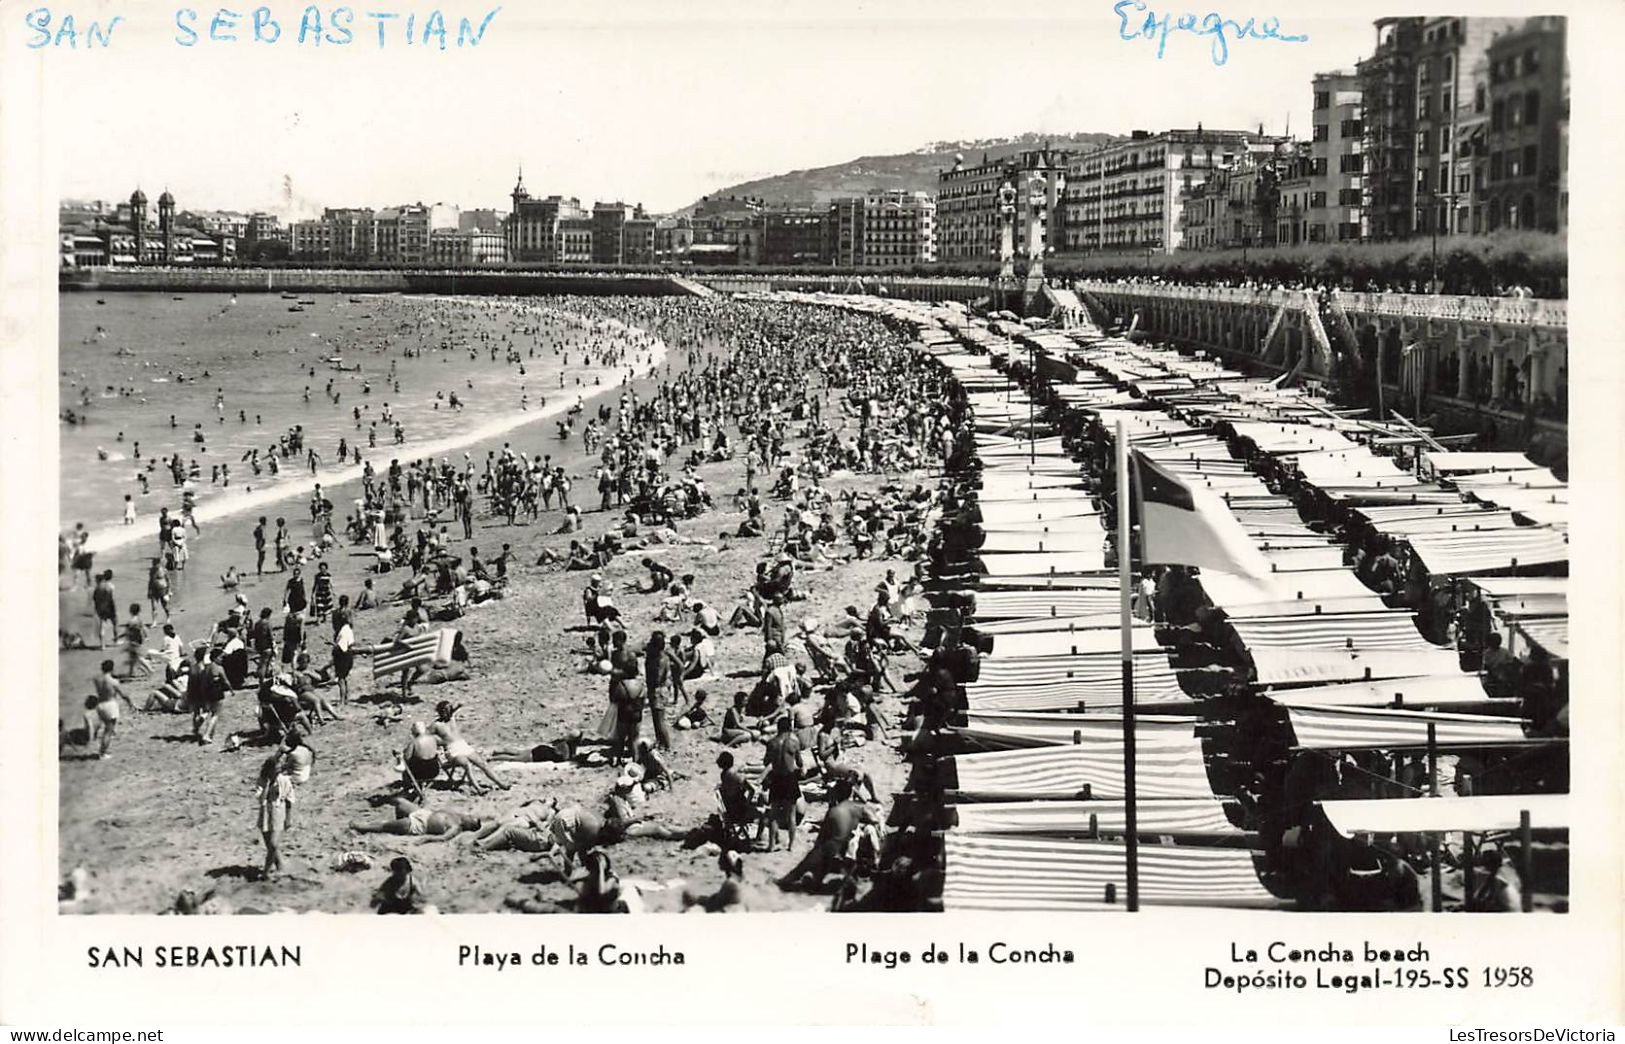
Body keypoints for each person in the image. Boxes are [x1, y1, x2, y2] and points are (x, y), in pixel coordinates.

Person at [257, 729, 314, 880]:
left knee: (274, 844)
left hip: (279, 810)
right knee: (270, 844)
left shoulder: (284, 780)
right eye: (277, 768)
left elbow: (289, 800)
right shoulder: (264, 781)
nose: (280, 768)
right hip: (265, 811)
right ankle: (279, 865)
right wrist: (268, 785)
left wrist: (288, 818)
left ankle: (265, 872)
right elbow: (259, 796)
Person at [761, 716, 802, 852]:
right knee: (791, 815)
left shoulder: (772, 743)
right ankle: (791, 845)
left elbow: (766, 762)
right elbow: (800, 762)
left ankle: (771, 845)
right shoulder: (794, 743)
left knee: (774, 815)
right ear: (789, 728)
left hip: (777, 779)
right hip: (790, 779)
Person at [352, 798, 482, 841]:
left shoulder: (455, 828)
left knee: (385, 826)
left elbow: (442, 838)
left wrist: (427, 839)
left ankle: (362, 827)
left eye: (471, 819)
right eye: (470, 815)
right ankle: (376, 803)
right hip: (423, 813)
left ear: (469, 826)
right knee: (399, 800)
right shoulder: (456, 814)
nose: (468, 816)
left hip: (419, 825)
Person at [85, 660, 136, 759]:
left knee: (106, 728)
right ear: (112, 668)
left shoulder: (97, 680)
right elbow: (123, 695)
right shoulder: (113, 682)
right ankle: (103, 753)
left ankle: (101, 746)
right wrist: (131, 704)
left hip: (100, 705)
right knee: (108, 731)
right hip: (110, 705)